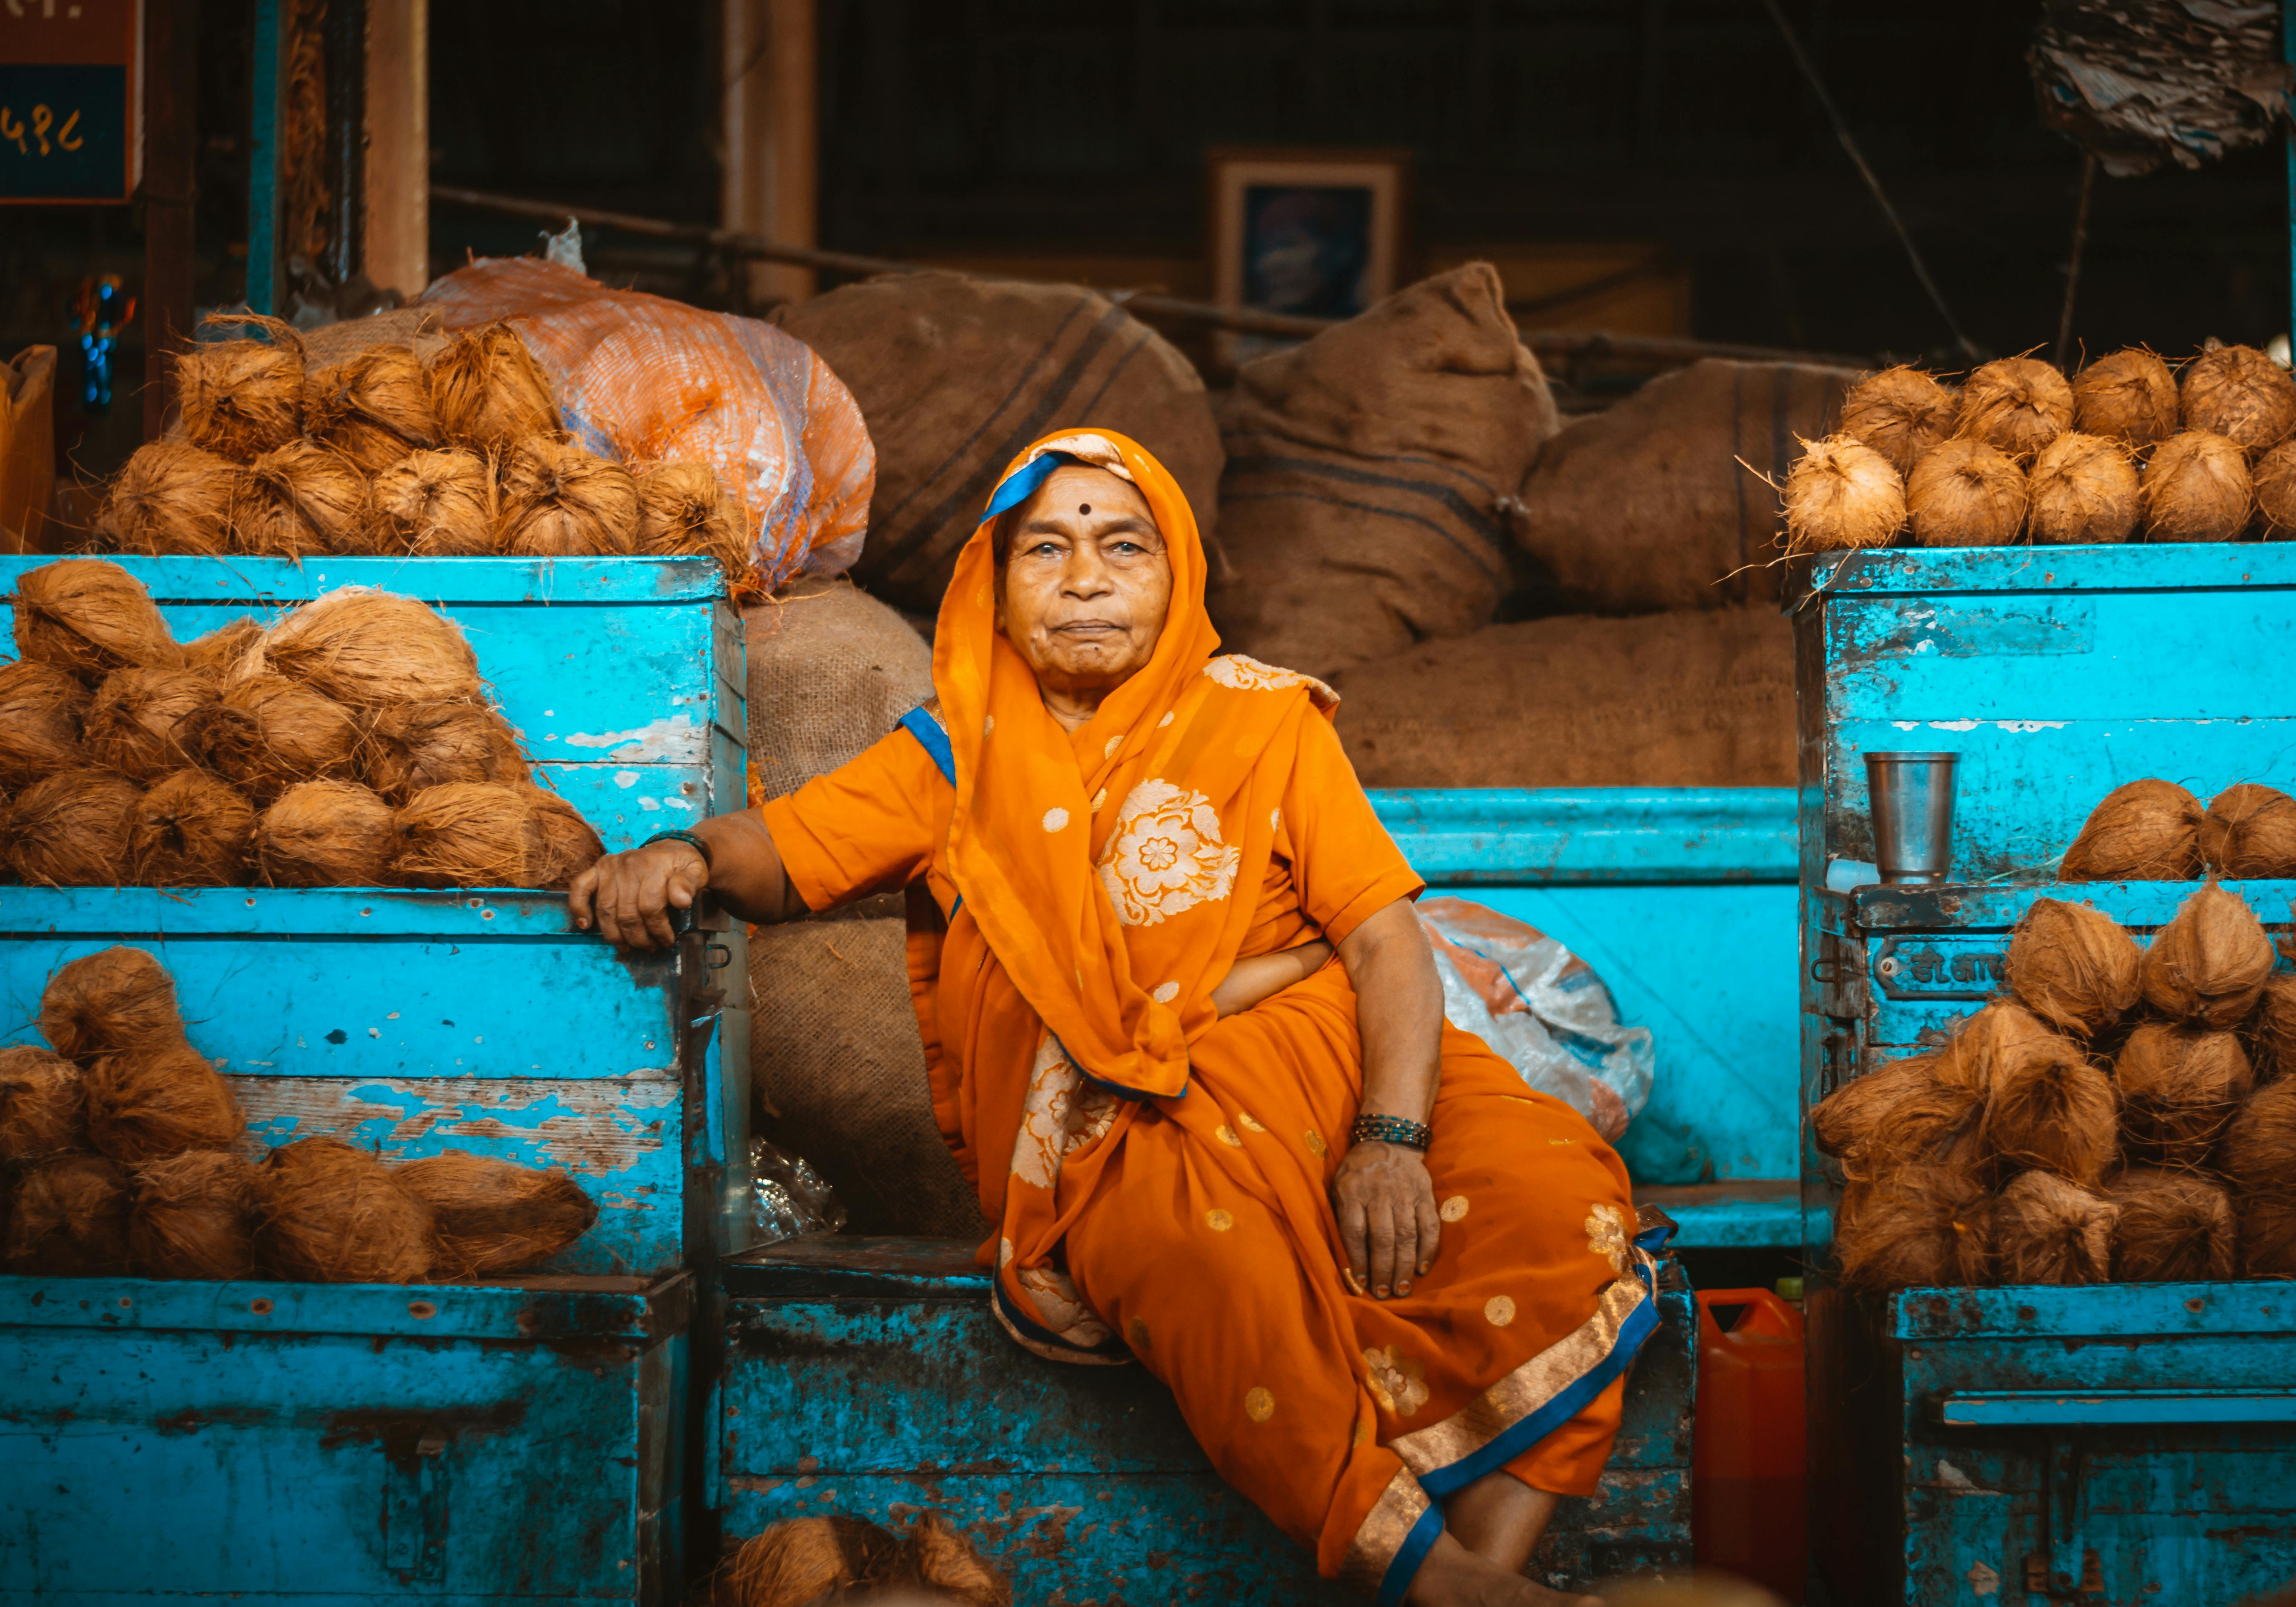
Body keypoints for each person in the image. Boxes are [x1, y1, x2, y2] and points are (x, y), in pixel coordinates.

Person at [571, 428, 1664, 1607]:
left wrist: (1391, 1139)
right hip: (1115, 1122)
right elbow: (783, 853)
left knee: (1562, 1196)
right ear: (998, 583)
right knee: (1210, 1260)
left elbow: (1383, 935)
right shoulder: (958, 755)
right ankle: (1424, 1571)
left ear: (1177, 571)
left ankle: (1469, 1582)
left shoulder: (1267, 721)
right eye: (1047, 547)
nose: (1084, 576)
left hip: (1346, 1079)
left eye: (1120, 545)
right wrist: (682, 853)